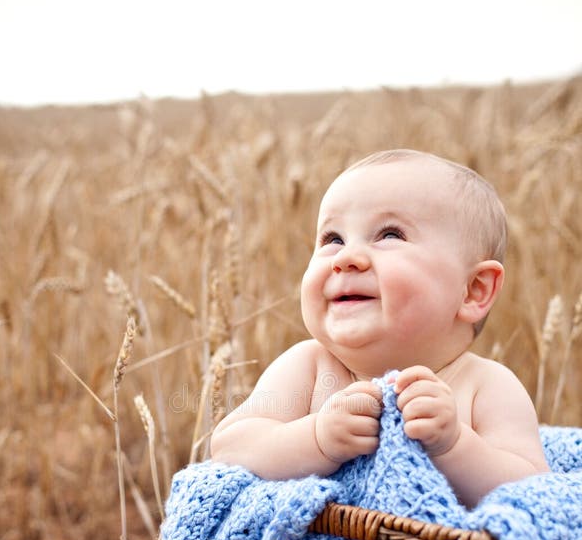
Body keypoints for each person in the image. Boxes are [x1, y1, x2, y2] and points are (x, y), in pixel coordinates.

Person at [210, 149, 548, 508]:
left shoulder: (486, 386)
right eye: (333, 239)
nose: (346, 258)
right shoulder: (308, 366)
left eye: (389, 234)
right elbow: (229, 448)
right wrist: (316, 438)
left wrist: (455, 446)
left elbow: (535, 493)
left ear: (474, 290)